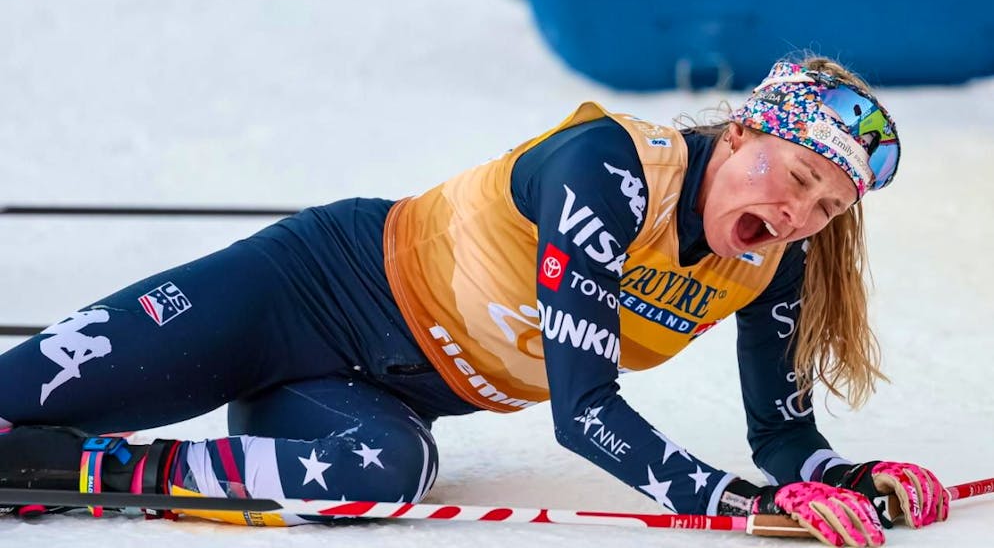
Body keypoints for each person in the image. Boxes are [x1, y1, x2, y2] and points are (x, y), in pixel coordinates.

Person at [0, 56, 948, 547]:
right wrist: (744, 507)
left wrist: (849, 480)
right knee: (16, 391)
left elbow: (783, 437)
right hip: (297, 290)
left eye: (825, 206)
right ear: (742, 131)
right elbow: (586, 415)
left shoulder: (767, 267)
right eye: (793, 174)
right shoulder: (613, 166)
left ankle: (100, 470)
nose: (796, 213)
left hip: (381, 398)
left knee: (385, 476)